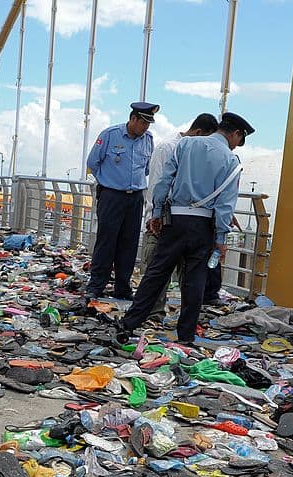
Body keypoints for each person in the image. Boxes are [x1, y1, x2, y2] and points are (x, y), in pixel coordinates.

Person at [116, 112, 255, 345]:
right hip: (203, 226)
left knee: (156, 274)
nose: (235, 146)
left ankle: (129, 324)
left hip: (175, 221)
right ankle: (186, 336)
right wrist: (221, 238)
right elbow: (225, 204)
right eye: (237, 141)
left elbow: (164, 181)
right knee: (194, 281)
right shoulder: (231, 162)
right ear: (236, 133)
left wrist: (157, 212)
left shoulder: (186, 144)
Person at [141, 113, 219, 316]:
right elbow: (157, 186)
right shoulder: (167, 148)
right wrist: (154, 216)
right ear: (199, 133)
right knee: (157, 272)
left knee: (189, 274)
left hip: (187, 223)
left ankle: (187, 318)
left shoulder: (198, 152)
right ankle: (153, 314)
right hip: (163, 220)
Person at [84, 102, 159, 300]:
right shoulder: (110, 135)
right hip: (112, 196)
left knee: (129, 243)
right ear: (133, 119)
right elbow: (93, 163)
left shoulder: (148, 139)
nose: (146, 128)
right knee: (106, 241)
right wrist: (107, 183)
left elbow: (146, 169)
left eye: (148, 124)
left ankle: (123, 287)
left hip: (135, 197)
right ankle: (96, 285)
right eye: (143, 123)